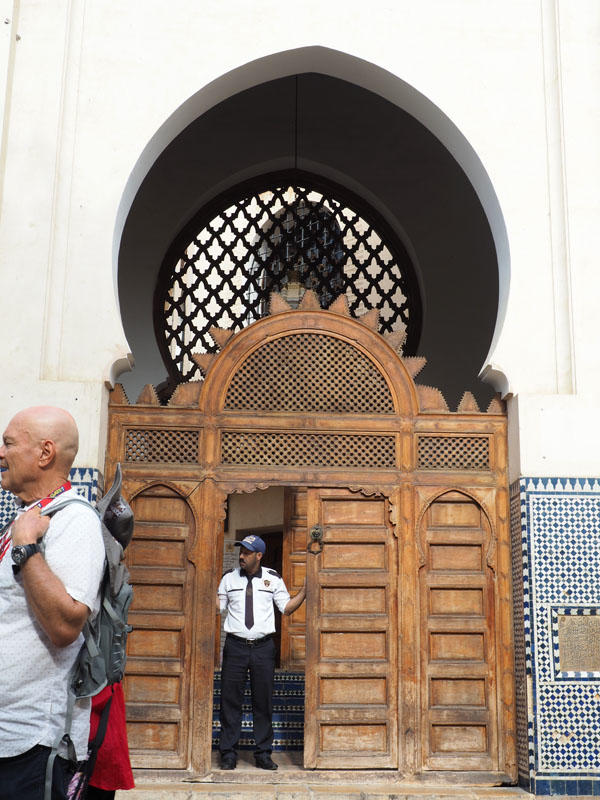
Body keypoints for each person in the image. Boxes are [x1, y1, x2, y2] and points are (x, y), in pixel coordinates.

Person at [0, 406, 105, 800]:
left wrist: (27, 549)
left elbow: (65, 626)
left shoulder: (74, 521)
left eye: (9, 443)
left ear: (44, 454)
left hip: (31, 745)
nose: (1, 453)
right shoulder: (29, 517)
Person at [217, 533, 306, 771]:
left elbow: (286, 609)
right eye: (241, 551)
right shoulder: (228, 579)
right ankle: (228, 753)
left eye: (247, 552)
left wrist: (304, 592)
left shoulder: (273, 579)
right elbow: (218, 607)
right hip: (235, 646)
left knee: (263, 702)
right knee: (229, 701)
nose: (242, 556)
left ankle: (263, 753)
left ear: (259, 555)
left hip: (263, 648)